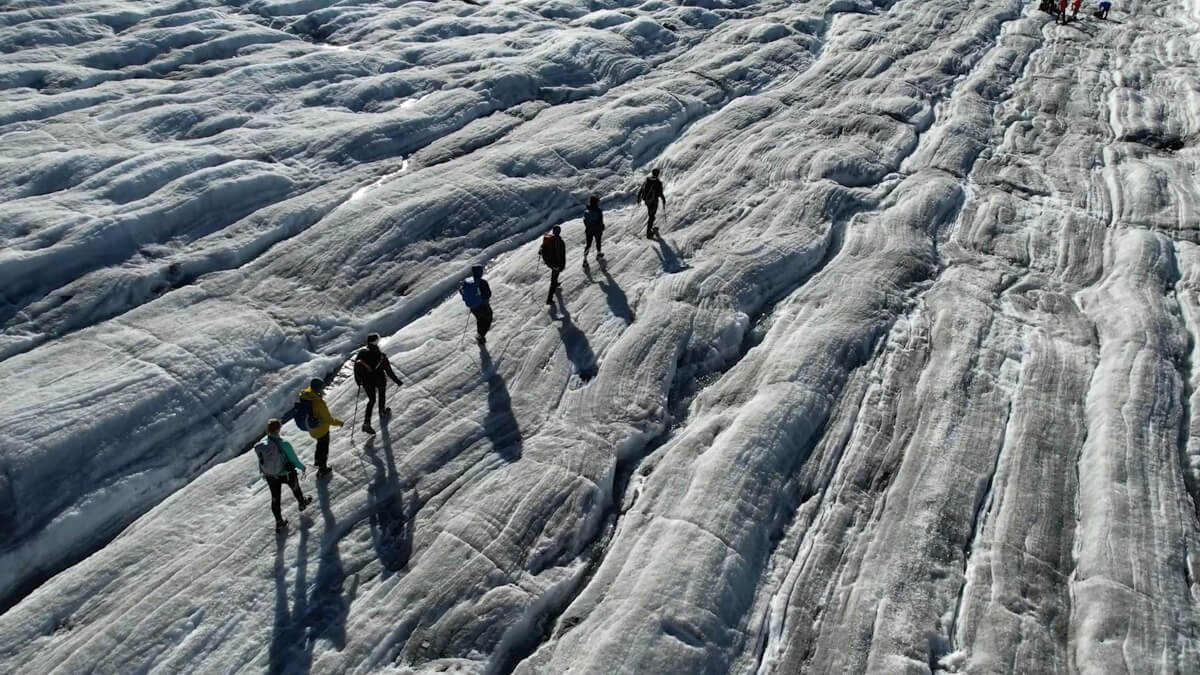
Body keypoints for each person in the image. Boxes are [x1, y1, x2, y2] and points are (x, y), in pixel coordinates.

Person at [255, 419, 312, 531]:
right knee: (295, 488)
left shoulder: (262, 446)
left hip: (271, 476)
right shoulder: (284, 444)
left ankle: (279, 521)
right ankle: (302, 503)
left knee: (275, 498)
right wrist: (302, 467)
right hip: (286, 473)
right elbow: (293, 459)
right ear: (278, 429)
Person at [353, 333, 403, 435]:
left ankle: (367, 423)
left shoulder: (362, 353)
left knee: (371, 400)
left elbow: (356, 366)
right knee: (381, 393)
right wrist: (397, 381)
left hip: (366, 381)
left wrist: (358, 380)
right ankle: (382, 411)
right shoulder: (381, 356)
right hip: (379, 379)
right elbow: (389, 371)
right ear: (376, 342)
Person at [299, 378, 342, 477]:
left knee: (319, 443)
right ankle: (322, 469)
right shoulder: (319, 403)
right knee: (324, 448)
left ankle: (317, 460)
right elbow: (329, 419)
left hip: (311, 428)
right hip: (321, 429)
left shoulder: (306, 396)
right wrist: (339, 423)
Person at [460, 264, 493, 344]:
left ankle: (479, 334)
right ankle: (481, 336)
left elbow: (461, 291)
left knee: (480, 320)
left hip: (473, 307)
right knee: (488, 319)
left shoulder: (468, 282)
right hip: (483, 307)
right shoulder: (483, 283)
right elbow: (488, 294)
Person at [540, 225, 566, 305]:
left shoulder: (550, 239)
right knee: (553, 282)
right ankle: (549, 299)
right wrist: (559, 265)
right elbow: (559, 254)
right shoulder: (558, 241)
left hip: (551, 262)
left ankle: (556, 282)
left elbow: (542, 249)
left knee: (554, 276)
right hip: (556, 263)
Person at [636, 168, 666, 239]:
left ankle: (650, 229)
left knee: (651, 215)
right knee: (652, 216)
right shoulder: (658, 183)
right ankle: (649, 233)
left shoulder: (647, 180)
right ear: (657, 174)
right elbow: (660, 193)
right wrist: (663, 199)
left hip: (647, 201)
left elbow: (641, 190)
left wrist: (639, 199)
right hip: (654, 201)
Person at [583, 194, 605, 261]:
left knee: (588, 244)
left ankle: (585, 259)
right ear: (596, 202)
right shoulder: (599, 210)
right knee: (598, 242)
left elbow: (584, 220)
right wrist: (602, 227)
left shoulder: (586, 211)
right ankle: (599, 254)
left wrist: (588, 227)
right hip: (597, 229)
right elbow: (600, 220)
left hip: (589, 230)